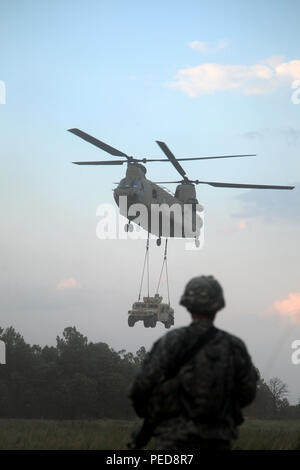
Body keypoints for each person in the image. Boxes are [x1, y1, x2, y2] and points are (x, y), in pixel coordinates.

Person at [128, 275, 258, 450]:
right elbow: (248, 392)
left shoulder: (172, 341)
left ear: (188, 305)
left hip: (173, 442)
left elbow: (141, 386)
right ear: (218, 305)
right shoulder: (234, 346)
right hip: (218, 441)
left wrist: (152, 412)